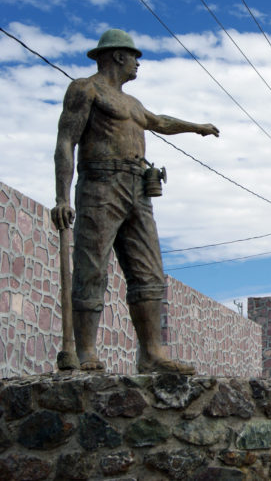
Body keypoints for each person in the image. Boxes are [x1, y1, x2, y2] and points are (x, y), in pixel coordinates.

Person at [52, 29, 219, 374]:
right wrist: (61, 197)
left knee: (149, 272)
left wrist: (197, 127)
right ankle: (85, 352)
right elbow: (66, 141)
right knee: (91, 268)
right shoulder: (86, 89)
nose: (138, 63)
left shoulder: (133, 103)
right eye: (134, 57)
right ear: (118, 56)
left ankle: (151, 353)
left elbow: (160, 122)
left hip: (138, 189)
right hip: (100, 185)